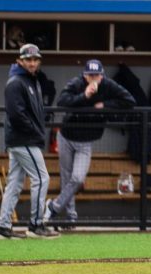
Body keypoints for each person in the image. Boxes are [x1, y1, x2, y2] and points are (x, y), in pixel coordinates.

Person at [47, 58, 135, 227]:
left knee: (78, 178)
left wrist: (105, 105)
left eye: (97, 75)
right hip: (66, 136)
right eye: (91, 75)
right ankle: (71, 217)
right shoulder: (77, 83)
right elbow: (62, 102)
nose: (94, 78)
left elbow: (129, 101)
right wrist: (84, 95)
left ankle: (53, 206)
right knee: (67, 179)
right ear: (85, 75)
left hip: (86, 141)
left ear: (102, 76)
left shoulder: (108, 85)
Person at [0, 44, 59, 239]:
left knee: (14, 182)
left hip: (22, 139)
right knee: (41, 178)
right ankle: (36, 224)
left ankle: (3, 227)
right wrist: (35, 132)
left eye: (35, 59)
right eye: (28, 59)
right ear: (19, 61)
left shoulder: (32, 81)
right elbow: (16, 115)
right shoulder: (16, 82)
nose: (32, 63)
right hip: (24, 139)